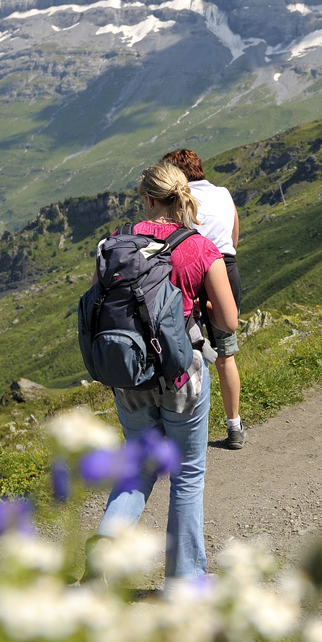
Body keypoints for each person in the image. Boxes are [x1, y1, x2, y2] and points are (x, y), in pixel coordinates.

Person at [97, 162, 240, 579]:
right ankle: (185, 580)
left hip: (131, 374)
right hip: (182, 375)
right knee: (187, 474)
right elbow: (228, 321)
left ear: (147, 199)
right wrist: (203, 306)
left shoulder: (115, 242)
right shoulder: (200, 248)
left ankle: (101, 559)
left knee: (138, 468)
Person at [163, 147, 246, 450]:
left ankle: (183, 431)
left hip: (191, 271)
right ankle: (234, 426)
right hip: (225, 268)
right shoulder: (223, 193)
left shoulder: (179, 199)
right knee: (226, 353)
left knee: (184, 352)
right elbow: (234, 238)